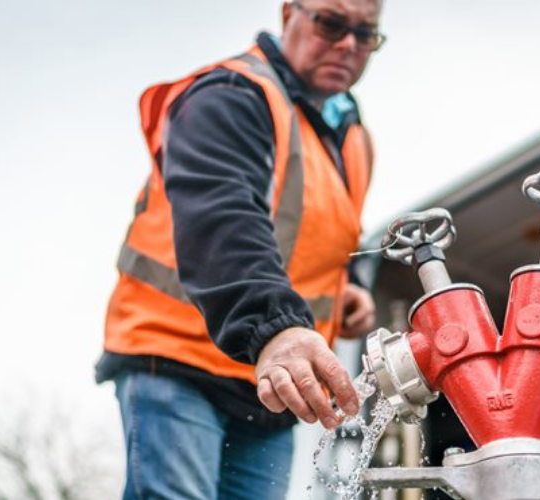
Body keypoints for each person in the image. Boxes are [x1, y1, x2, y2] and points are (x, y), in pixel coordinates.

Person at [95, 1, 384, 499]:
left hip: (265, 382)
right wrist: (273, 325)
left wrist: (348, 288)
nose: (348, 45)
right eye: (331, 24)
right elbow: (222, 214)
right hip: (178, 357)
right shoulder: (231, 95)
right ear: (288, 13)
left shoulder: (352, 137)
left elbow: (319, 232)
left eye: (365, 34)